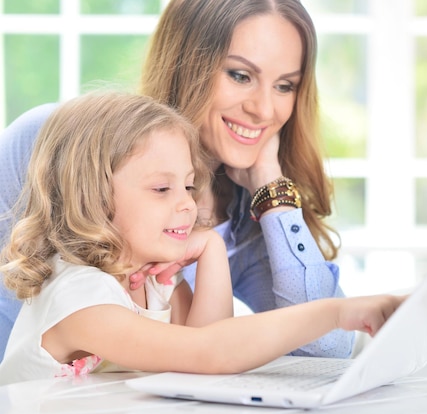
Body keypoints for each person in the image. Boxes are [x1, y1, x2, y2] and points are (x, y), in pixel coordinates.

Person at [0, 0, 353, 361]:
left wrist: (271, 187)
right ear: (187, 66)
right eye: (240, 75)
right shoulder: (54, 144)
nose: (264, 110)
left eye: (284, 86)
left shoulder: (249, 221)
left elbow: (328, 349)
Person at [0, 91, 405, 385]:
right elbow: (210, 353)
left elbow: (200, 363)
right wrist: (335, 313)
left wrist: (211, 248)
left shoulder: (154, 282)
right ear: (95, 196)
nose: (187, 206)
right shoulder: (79, 297)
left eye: (190, 187)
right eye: (162, 189)